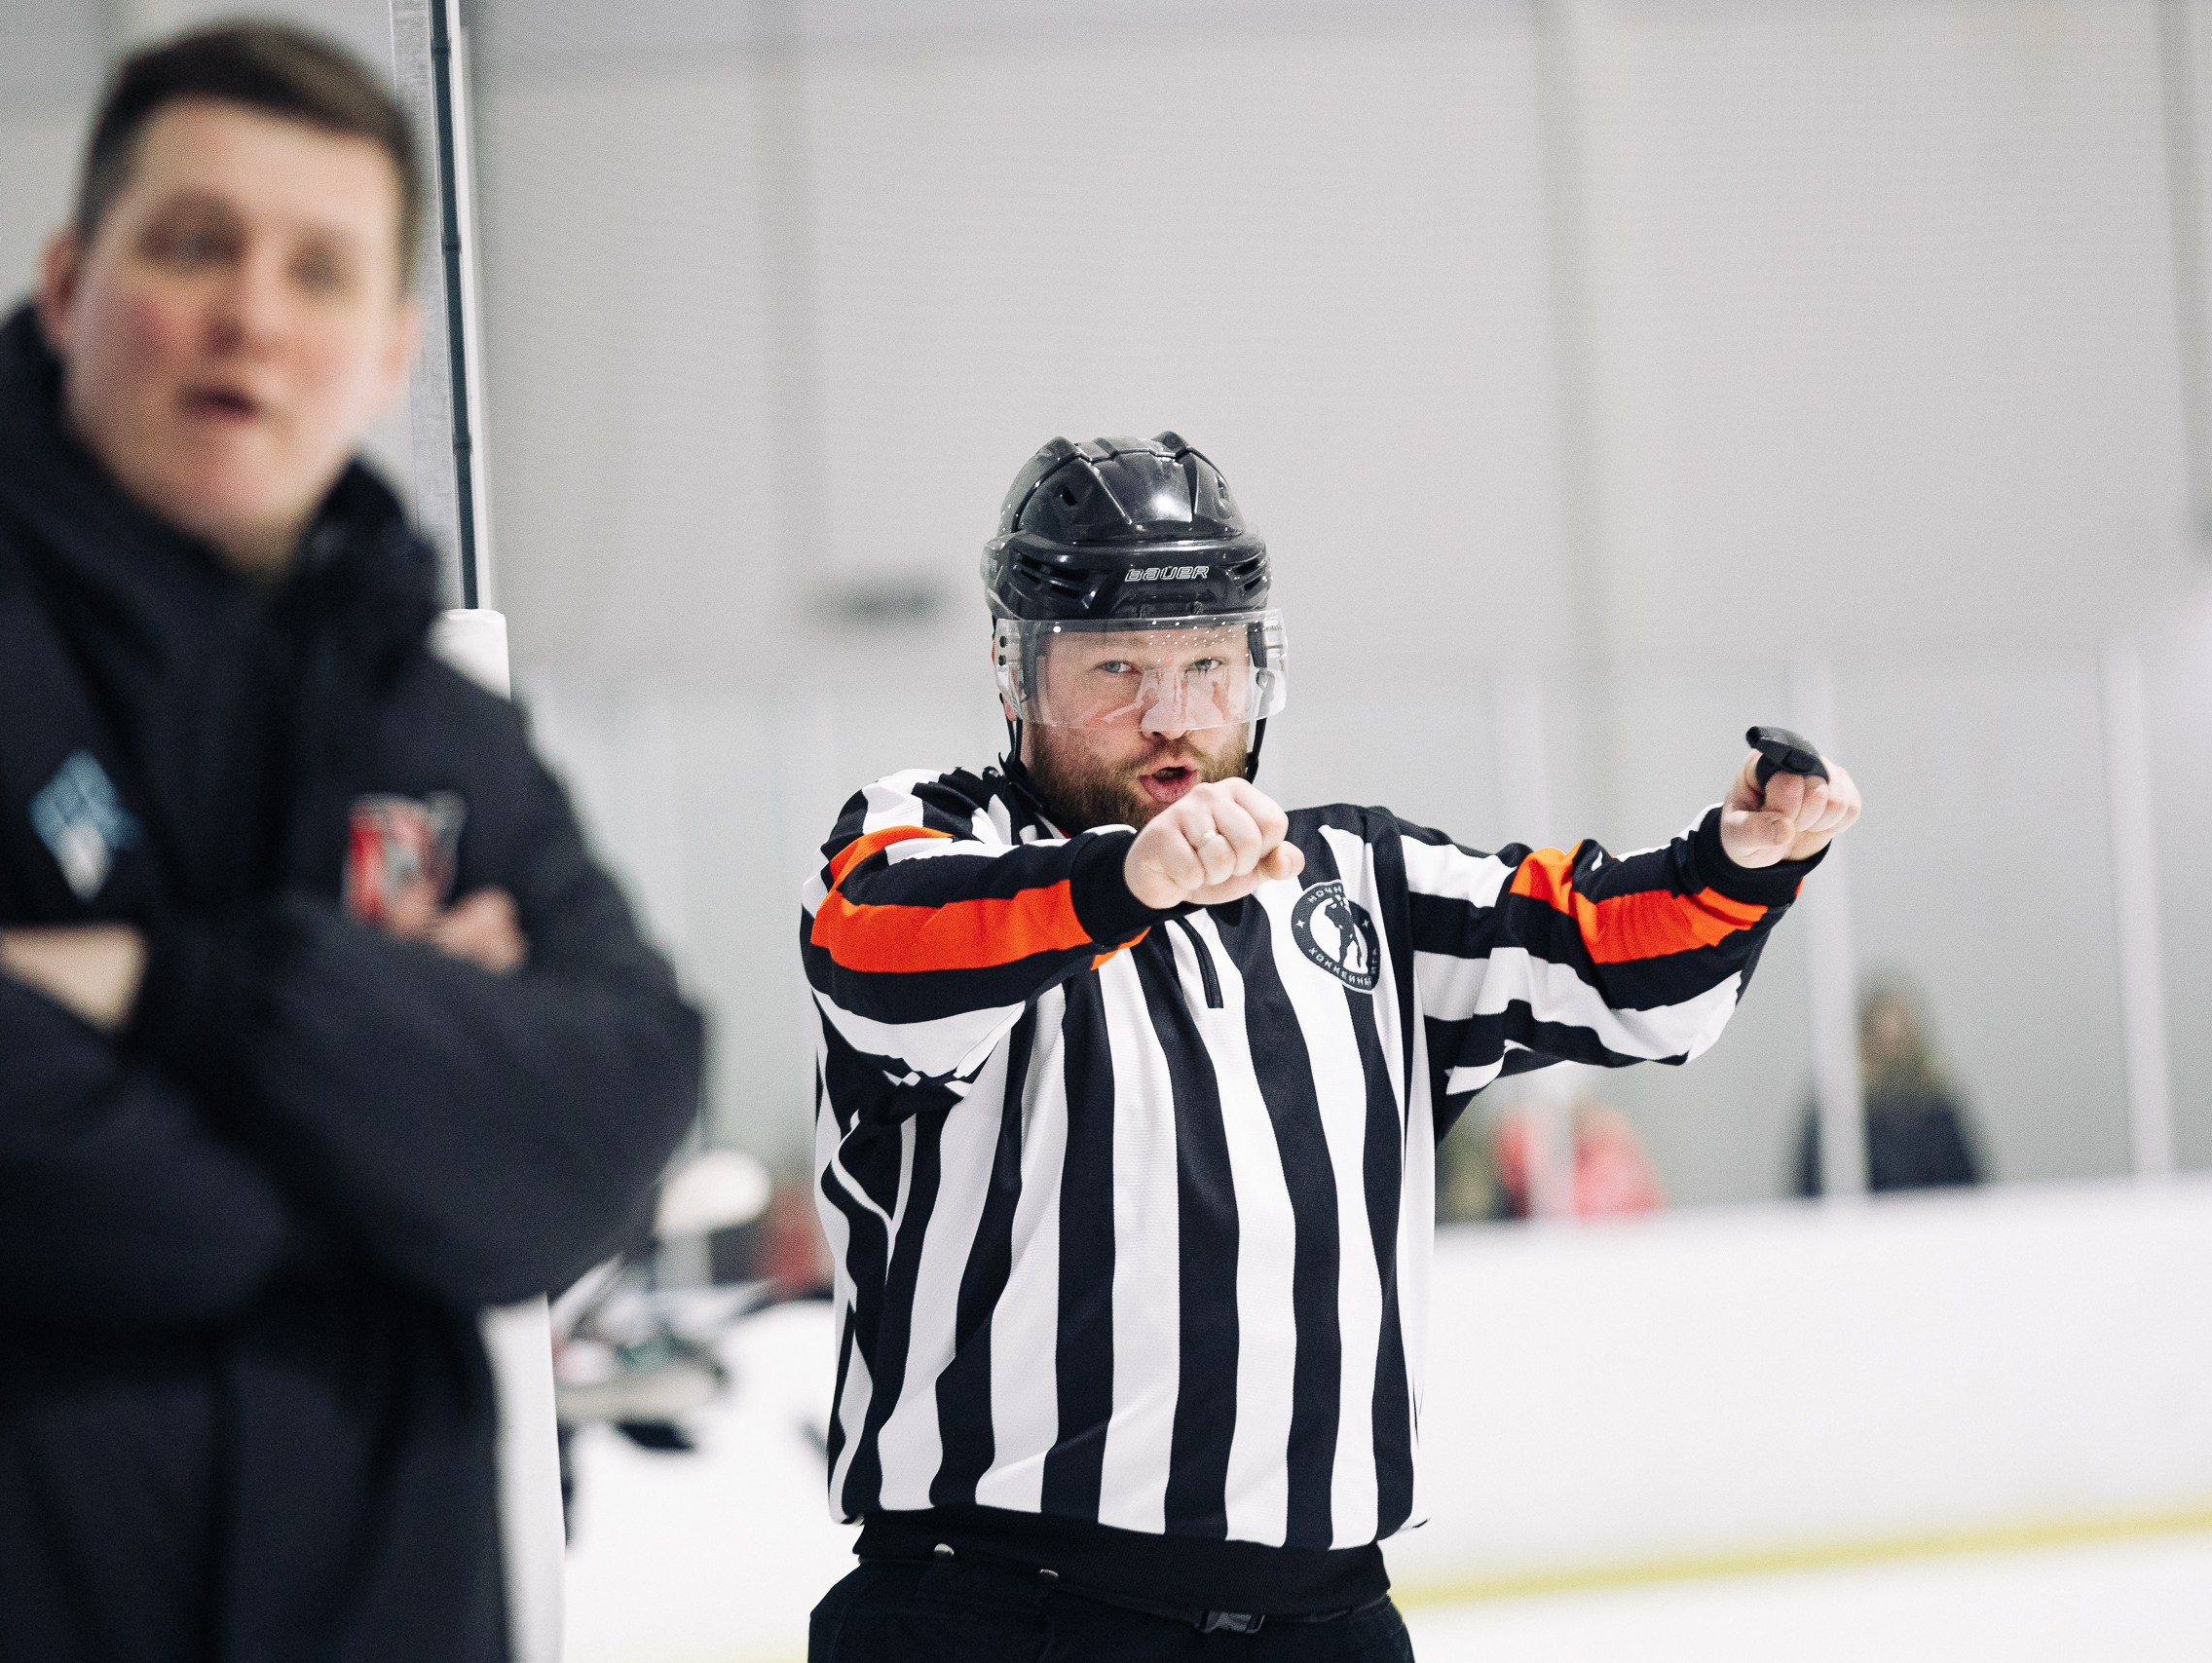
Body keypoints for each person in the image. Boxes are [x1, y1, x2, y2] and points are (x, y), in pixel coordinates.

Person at [0, 24, 700, 1663]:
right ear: (64, 283)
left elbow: (613, 1106)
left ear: (389, 351)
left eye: (318, 270)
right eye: (192, 245)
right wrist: (406, 1141)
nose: (252, 310)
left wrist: (173, 986)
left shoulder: (418, 708)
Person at [800, 434, 1860, 1659]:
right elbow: (881, 954)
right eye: (1116, 669)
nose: (1171, 719)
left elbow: (1614, 962)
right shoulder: (932, 838)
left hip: (1327, 1621)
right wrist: (1123, 881)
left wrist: (1737, 862)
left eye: (1207, 663)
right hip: (1001, 1612)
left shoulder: (1358, 880)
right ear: (1017, 676)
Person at [1793, 977, 1983, 1194]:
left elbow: (1969, 1186)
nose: (1892, 1048)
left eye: (1900, 1038)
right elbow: (1811, 1189)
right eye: (1882, 1038)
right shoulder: (1839, 1112)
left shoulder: (1937, 1105)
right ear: (1865, 1038)